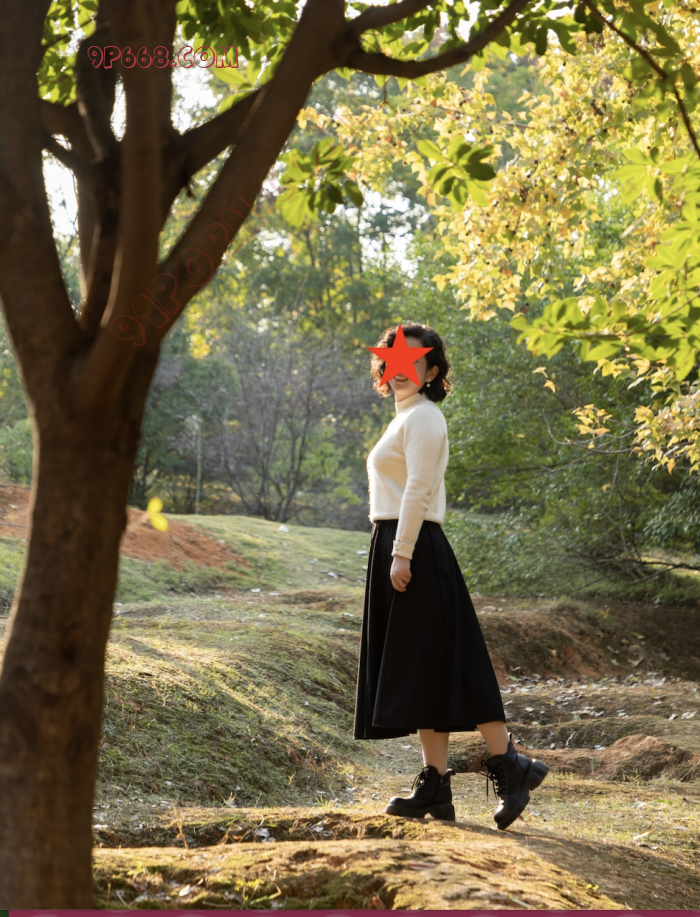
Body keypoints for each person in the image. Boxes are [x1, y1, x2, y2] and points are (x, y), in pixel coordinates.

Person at [353, 322, 549, 829]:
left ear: (431, 370)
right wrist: (393, 548)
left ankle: (510, 763)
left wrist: (401, 552)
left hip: (415, 548)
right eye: (391, 361)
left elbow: (418, 488)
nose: (398, 370)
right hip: (400, 543)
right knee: (426, 669)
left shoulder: (424, 417)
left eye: (411, 361)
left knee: (452, 662)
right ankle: (436, 785)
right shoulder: (405, 417)